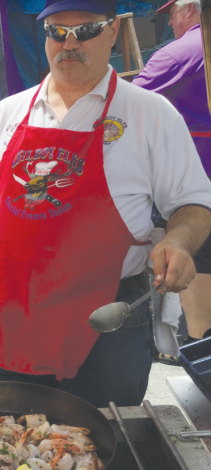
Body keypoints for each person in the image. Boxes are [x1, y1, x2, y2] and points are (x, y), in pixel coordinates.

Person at [0, 0, 211, 408]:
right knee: (18, 448)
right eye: (57, 31)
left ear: (112, 32)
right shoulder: (6, 114)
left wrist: (179, 242)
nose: (69, 43)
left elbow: (193, 204)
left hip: (106, 328)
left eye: (86, 30)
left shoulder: (149, 113)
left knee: (108, 446)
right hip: (18, 320)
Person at [132, 0, 211, 344]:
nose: (171, 25)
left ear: (191, 9)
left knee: (202, 319)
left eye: (173, 16)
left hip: (200, 186)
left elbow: (121, 111)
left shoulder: (178, 54)